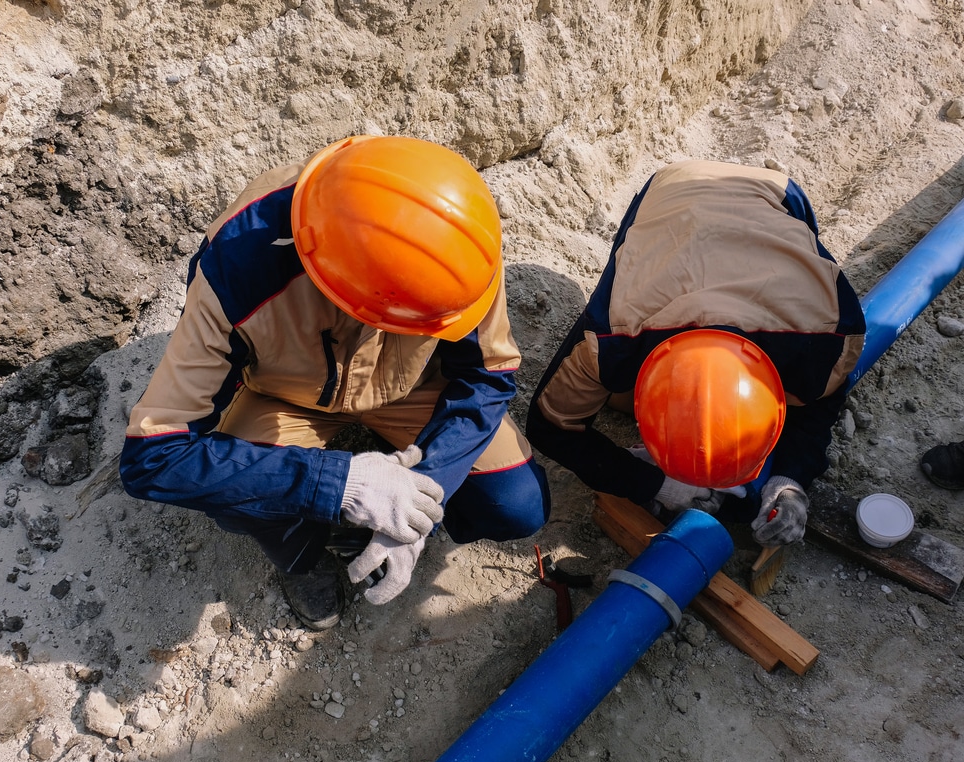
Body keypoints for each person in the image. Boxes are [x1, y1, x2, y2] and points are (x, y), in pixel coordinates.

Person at [120, 135, 550, 630]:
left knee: (515, 505)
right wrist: (341, 484)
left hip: (408, 388)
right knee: (236, 492)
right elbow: (151, 457)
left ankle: (389, 516)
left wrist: (425, 495)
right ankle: (301, 554)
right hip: (283, 394)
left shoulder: (460, 244)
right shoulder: (239, 266)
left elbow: (487, 375)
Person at [527, 159, 866, 548]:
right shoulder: (611, 337)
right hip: (671, 191)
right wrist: (656, 483)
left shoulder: (829, 341)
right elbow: (547, 425)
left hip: (776, 196)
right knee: (614, 384)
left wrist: (790, 480)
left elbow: (820, 408)